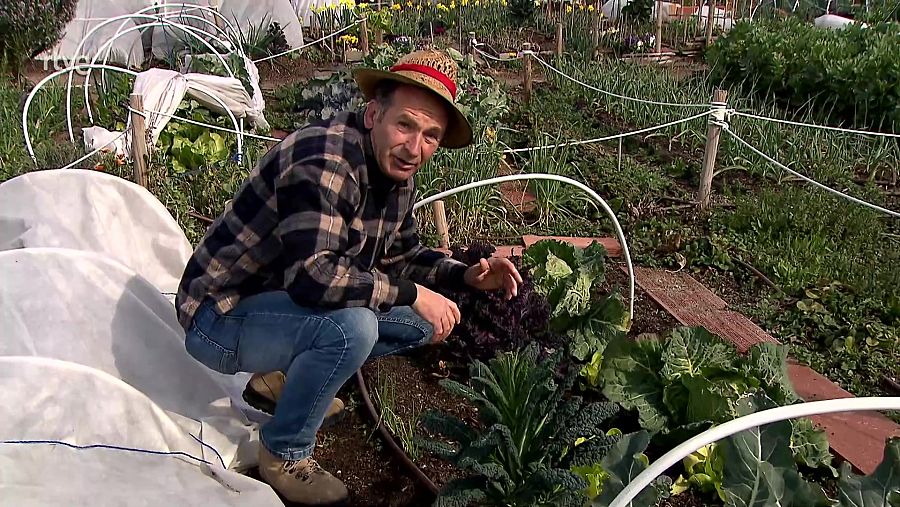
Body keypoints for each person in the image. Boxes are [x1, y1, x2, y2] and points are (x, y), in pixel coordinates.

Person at [174, 49, 523, 506]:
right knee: (353, 328)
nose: (415, 148)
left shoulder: (394, 169)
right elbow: (313, 278)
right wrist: (412, 292)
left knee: (419, 322)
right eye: (405, 125)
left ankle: (280, 381)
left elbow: (403, 254)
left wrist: (465, 276)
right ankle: (283, 453)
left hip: (277, 307)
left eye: (430, 136)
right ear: (374, 113)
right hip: (220, 317)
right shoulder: (325, 161)